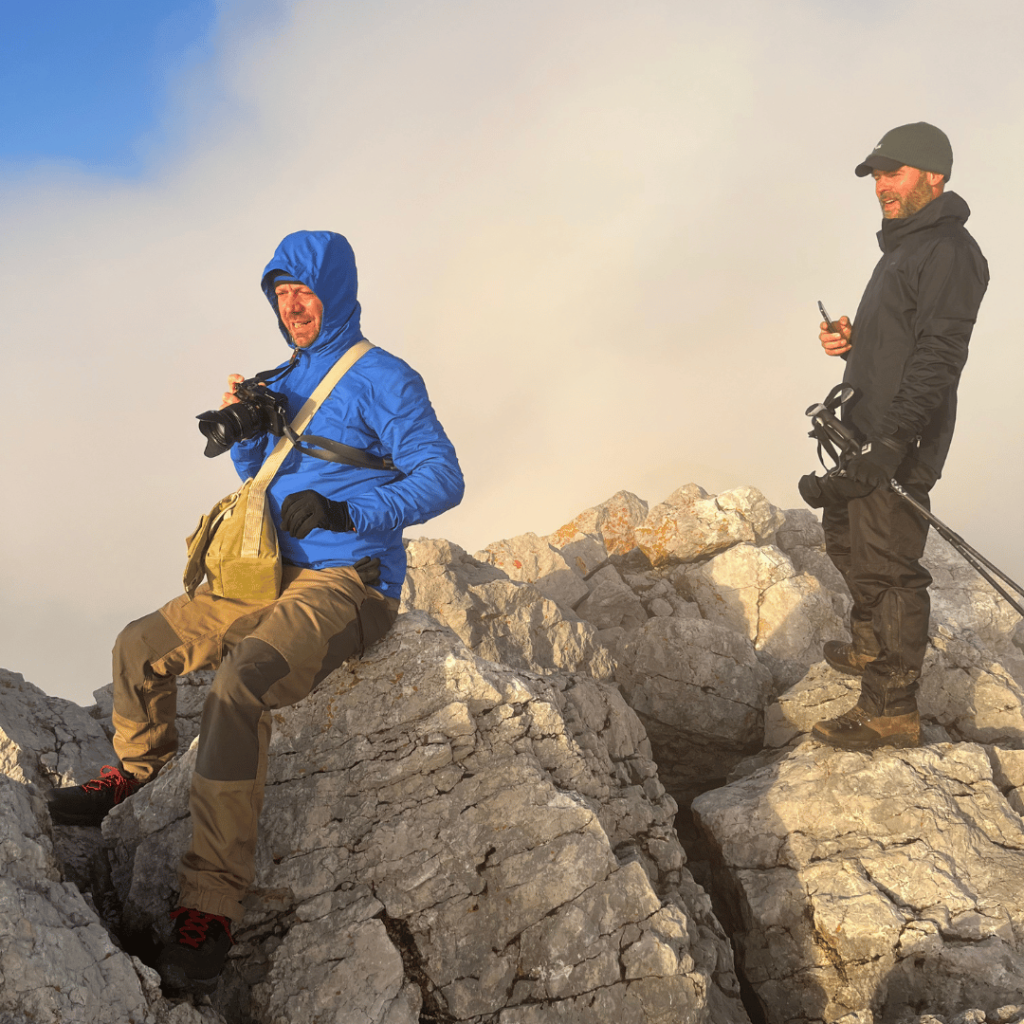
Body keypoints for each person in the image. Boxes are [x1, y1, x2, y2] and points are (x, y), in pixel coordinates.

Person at [46, 230, 465, 993]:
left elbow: (443, 478)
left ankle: (209, 905)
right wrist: (243, 431)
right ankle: (139, 766)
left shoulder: (385, 378)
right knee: (139, 645)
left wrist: (348, 513)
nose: (292, 305)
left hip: (347, 583)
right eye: (280, 294)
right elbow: (258, 477)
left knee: (241, 688)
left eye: (304, 291)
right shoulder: (282, 376)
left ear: (335, 291)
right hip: (260, 570)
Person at [810, 122, 988, 751]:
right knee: (846, 542)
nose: (882, 185)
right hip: (865, 431)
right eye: (877, 175)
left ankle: (891, 709)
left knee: (889, 568)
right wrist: (853, 349)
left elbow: (940, 355)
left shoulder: (948, 250)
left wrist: (892, 442)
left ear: (934, 176)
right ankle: (868, 649)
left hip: (897, 438)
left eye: (895, 172)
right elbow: (904, 346)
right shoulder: (904, 249)